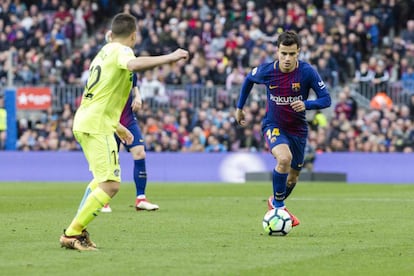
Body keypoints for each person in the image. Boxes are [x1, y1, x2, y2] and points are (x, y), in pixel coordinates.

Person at [59, 13, 188, 251]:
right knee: (111, 185)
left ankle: (77, 229)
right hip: (96, 125)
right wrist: (171, 57)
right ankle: (72, 233)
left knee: (100, 181)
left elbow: (102, 92)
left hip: (87, 120)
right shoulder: (122, 50)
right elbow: (133, 64)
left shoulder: (103, 52)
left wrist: (117, 125)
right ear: (133, 35)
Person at [235, 31, 331, 227]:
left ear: (299, 53)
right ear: (277, 51)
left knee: (293, 176)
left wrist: (306, 104)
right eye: (284, 53)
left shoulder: (307, 72)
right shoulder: (267, 71)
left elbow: (326, 99)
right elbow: (248, 80)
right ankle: (279, 206)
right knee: (284, 159)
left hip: (298, 130)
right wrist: (239, 107)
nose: (287, 59)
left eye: (292, 54)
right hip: (274, 125)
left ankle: (275, 200)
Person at [101, 73, 159, 213]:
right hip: (110, 121)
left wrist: (138, 96)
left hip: (128, 119)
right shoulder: (109, 69)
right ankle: (103, 201)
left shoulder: (130, 68)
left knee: (140, 153)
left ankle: (141, 199)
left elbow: (134, 85)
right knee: (111, 160)